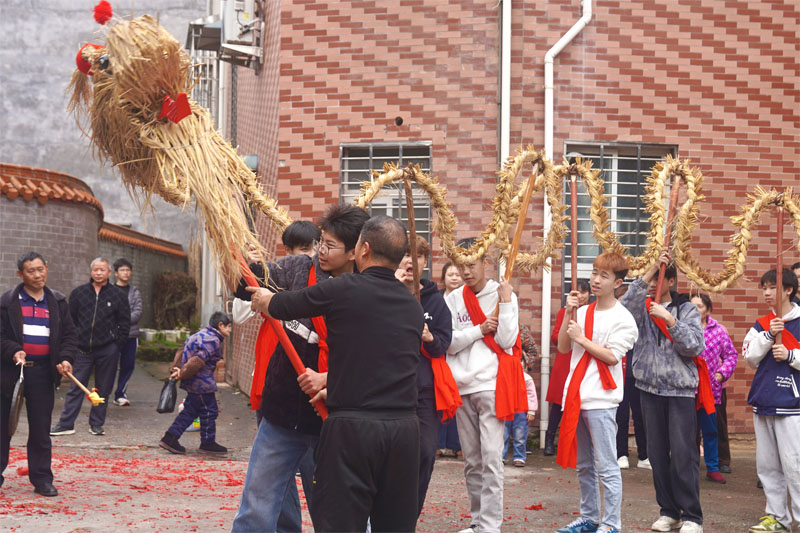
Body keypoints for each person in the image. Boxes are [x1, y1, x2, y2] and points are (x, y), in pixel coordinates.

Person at [248, 215, 423, 532]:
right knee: (394, 524)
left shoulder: (345, 289)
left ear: (363, 249)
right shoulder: (411, 305)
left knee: (341, 521)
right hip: (404, 431)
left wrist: (265, 300)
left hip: (354, 428)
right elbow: (383, 363)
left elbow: (290, 304)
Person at [231, 205, 369, 532]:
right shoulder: (296, 270)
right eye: (321, 242)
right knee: (257, 508)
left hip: (336, 421)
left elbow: (373, 362)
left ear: (355, 252)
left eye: (330, 245)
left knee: (340, 515)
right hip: (282, 415)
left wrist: (331, 380)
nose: (320, 250)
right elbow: (248, 285)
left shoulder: (368, 295)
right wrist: (243, 264)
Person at [620, 252, 706, 533]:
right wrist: (645, 271)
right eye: (652, 277)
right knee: (656, 455)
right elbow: (623, 307)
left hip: (679, 391)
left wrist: (669, 318)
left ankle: (692, 515)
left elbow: (694, 345)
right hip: (648, 388)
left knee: (683, 455)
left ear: (670, 281)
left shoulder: (687, 309)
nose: (653, 282)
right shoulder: (642, 307)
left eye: (659, 277)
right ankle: (669, 511)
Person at [555, 253, 638, 533]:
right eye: (594, 273)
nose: (596, 280)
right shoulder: (581, 310)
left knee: (606, 465)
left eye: (604, 275)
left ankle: (612, 523)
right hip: (577, 394)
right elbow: (564, 348)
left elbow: (612, 357)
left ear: (618, 283)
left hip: (602, 399)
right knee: (584, 466)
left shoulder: (624, 319)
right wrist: (569, 313)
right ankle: (589, 517)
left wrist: (582, 338)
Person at [445, 237, 522, 533]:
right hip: (462, 386)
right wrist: (478, 330)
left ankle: (490, 526)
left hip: (491, 385)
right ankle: (477, 521)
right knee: (472, 461)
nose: (466, 271)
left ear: (485, 263)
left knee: (491, 459)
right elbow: (449, 343)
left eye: (472, 264)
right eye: (461, 265)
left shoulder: (502, 293)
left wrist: (505, 303)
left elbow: (506, 342)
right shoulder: (452, 299)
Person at [233, 220, 321, 428]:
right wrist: (252, 270)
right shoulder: (281, 274)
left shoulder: (322, 277)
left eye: (314, 248)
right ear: (288, 250)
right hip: (275, 344)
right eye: (303, 249)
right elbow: (239, 312)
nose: (310, 255)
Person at [1, 252, 76, 496]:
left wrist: (65, 359)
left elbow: (68, 336)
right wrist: (14, 350)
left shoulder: (57, 301)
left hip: (43, 373)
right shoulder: (7, 302)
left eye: (40, 269)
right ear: (20, 275)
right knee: (3, 427)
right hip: (11, 374)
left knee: (41, 429)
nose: (37, 275)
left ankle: (42, 479)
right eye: (30, 271)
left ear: (47, 268)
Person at [395, 235, 453, 515]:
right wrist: (394, 289)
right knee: (391, 457)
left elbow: (444, 344)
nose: (410, 260)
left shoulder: (436, 300)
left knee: (425, 452)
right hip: (388, 390)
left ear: (425, 262)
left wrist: (429, 339)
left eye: (417, 256)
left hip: (423, 392)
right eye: (405, 254)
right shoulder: (385, 292)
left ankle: (409, 518)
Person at [743, 268, 800, 533]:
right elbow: (750, 358)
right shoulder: (762, 323)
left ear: (789, 290)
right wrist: (767, 336)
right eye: (764, 288)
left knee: (795, 466)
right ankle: (777, 517)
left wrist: (790, 356)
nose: (766, 293)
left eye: (772, 288)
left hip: (792, 405)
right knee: (767, 467)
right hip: (764, 400)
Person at [51, 258, 130, 437]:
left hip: (107, 349)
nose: (99, 273)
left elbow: (124, 323)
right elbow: (69, 321)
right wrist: (73, 342)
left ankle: (96, 424)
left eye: (102, 270)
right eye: (95, 269)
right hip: (82, 349)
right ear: (91, 272)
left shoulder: (118, 295)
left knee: (103, 388)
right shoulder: (79, 293)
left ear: (109, 272)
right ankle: (65, 424)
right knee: (75, 388)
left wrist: (116, 344)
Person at [159, 311, 232, 455]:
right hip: (202, 384)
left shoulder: (199, 335)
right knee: (208, 411)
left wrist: (177, 367)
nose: (230, 330)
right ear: (220, 325)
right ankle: (204, 442)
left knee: (195, 410)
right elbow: (197, 361)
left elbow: (182, 350)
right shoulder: (212, 340)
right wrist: (182, 372)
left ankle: (174, 438)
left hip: (194, 382)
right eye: (228, 327)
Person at [690, 293, 737, 483]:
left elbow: (731, 355)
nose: (695, 310)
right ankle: (689, 467)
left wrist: (722, 373)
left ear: (708, 309)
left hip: (710, 389)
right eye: (692, 306)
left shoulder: (718, 331)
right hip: (686, 389)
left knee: (711, 429)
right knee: (688, 431)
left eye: (700, 306)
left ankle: (713, 467)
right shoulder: (681, 329)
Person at [545, 279, 590, 456]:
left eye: (584, 292)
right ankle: (549, 440)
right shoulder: (564, 312)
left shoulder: (592, 312)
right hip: (565, 361)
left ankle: (575, 444)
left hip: (583, 361)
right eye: (577, 292)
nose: (581, 296)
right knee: (558, 404)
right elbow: (555, 337)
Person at [614, 285, 649, 470]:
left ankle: (644, 455)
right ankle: (621, 453)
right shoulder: (614, 321)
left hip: (638, 374)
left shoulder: (641, 320)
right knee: (620, 416)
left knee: (641, 415)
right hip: (619, 373)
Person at [437, 261, 463, 459]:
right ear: (443, 278)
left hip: (459, 352)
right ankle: (438, 443)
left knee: (456, 398)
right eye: (450, 274)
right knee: (439, 396)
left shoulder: (465, 300)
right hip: (438, 352)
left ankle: (457, 444)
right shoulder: (437, 299)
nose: (454, 278)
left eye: (457, 274)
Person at [111, 258, 142, 406]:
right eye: (122, 270)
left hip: (131, 335)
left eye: (128, 270)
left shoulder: (134, 292)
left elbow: (138, 312)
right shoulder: (108, 291)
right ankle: (103, 392)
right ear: (116, 273)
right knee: (108, 364)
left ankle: (120, 394)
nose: (126, 273)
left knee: (128, 365)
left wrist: (121, 320)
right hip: (111, 336)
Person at [503, 361, 538, 467]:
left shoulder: (527, 378)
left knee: (520, 435)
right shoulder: (504, 376)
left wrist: (531, 410)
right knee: (502, 435)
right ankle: (500, 456)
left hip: (521, 411)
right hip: (505, 410)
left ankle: (519, 456)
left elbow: (531, 395)